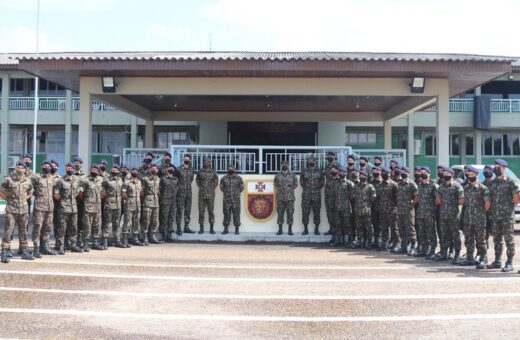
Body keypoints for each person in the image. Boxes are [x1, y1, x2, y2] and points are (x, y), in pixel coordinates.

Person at [487, 159, 519, 272]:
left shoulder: (510, 181)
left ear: (504, 169)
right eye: (495, 167)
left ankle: (509, 262)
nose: (496, 169)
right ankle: (497, 260)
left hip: (506, 216)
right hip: (495, 216)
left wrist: (509, 209)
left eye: (498, 167)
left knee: (508, 240)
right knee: (497, 239)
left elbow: (516, 199)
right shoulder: (493, 182)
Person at [0, 161, 34, 263]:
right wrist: (8, 199)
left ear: (25, 169)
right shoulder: (9, 180)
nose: (20, 169)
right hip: (12, 210)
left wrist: (25, 198)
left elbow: (30, 192)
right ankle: (5, 252)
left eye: (22, 168)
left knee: (23, 231)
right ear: (15, 168)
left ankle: (24, 250)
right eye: (18, 167)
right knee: (8, 231)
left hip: (23, 210)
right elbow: (1, 191)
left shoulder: (28, 181)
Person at [459, 165, 490, 269]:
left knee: (480, 240)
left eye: (472, 175)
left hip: (479, 219)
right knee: (468, 239)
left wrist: (480, 212)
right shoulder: (466, 188)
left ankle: (482, 259)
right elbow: (465, 203)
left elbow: (487, 203)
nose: (470, 176)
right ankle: (469, 258)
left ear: (476, 175)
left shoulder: (483, 188)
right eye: (469, 174)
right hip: (468, 218)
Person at [434, 167, 464, 264]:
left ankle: (457, 254)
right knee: (444, 235)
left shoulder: (457, 186)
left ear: (452, 175)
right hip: (443, 215)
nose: (445, 175)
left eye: (447, 174)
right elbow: (438, 200)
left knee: (455, 235)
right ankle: (444, 253)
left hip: (453, 215)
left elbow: (461, 200)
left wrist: (451, 204)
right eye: (444, 174)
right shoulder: (441, 187)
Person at [53, 162, 83, 254]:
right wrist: (64, 199)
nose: (69, 169)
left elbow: (79, 191)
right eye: (68, 168)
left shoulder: (77, 180)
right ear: (65, 169)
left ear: (74, 169)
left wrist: (72, 197)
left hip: (74, 208)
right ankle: (61, 246)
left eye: (71, 168)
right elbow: (56, 195)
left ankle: (73, 245)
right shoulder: (60, 180)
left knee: (73, 227)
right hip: (63, 208)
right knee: (62, 228)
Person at [30, 160, 57, 258]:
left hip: (50, 207)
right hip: (39, 207)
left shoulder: (51, 178)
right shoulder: (36, 177)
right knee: (37, 227)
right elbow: (28, 187)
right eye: (45, 165)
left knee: (47, 228)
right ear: (41, 166)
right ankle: (36, 249)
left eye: (48, 166)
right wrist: (34, 194)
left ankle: (45, 247)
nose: (47, 167)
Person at [79, 165, 104, 251]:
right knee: (87, 226)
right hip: (88, 207)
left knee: (96, 225)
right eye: (93, 169)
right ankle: (85, 243)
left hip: (97, 207)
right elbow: (81, 194)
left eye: (96, 170)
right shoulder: (85, 180)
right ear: (90, 170)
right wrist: (87, 201)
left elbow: (102, 192)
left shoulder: (100, 180)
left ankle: (95, 243)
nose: (95, 171)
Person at [416, 166, 439, 259]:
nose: (423, 173)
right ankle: (423, 249)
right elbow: (418, 198)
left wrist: (432, 209)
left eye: (425, 172)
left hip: (430, 213)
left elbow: (437, 200)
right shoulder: (419, 185)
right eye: (421, 172)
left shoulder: (434, 185)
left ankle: (432, 250)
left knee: (431, 232)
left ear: (429, 173)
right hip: (421, 212)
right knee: (421, 232)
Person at [396, 166, 418, 256]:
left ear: (408, 173)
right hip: (400, 210)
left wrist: (412, 204)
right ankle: (403, 247)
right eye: (402, 171)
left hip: (409, 211)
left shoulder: (412, 184)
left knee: (410, 230)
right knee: (401, 229)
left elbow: (417, 196)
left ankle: (413, 247)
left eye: (405, 171)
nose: (403, 173)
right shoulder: (399, 184)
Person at [300, 155, 325, 235]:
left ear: (315, 162)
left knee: (317, 213)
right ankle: (305, 229)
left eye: (312, 160)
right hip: (306, 196)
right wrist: (307, 189)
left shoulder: (319, 171)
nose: (311, 162)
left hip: (316, 196)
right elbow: (301, 182)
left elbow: (322, 182)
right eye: (309, 160)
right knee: (305, 212)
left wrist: (316, 188)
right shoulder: (304, 171)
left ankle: (316, 229)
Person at [351, 170, 376, 249]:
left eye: (363, 176)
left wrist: (368, 203)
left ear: (366, 177)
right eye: (360, 176)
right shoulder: (356, 186)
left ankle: (369, 242)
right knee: (359, 227)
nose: (362, 177)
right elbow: (352, 196)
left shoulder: (370, 186)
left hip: (367, 210)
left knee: (368, 227)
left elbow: (374, 196)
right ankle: (359, 241)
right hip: (358, 210)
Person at [376, 167, 398, 251]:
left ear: (390, 174)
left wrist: (396, 209)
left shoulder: (394, 184)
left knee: (394, 229)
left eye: (386, 173)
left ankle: (396, 244)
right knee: (384, 229)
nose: (384, 174)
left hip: (392, 211)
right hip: (382, 211)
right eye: (383, 172)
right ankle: (384, 244)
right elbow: (378, 198)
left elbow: (397, 198)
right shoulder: (379, 186)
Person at [102, 164, 124, 248]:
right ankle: (105, 241)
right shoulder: (106, 180)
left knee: (117, 223)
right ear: (111, 170)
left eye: (116, 170)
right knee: (107, 223)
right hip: (109, 204)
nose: (114, 171)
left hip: (118, 204)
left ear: (119, 171)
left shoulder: (121, 180)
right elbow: (101, 191)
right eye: (113, 169)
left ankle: (117, 240)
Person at [273, 160, 298, 236]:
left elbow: (296, 184)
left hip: (290, 198)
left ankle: (290, 230)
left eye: (286, 165)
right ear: (281, 165)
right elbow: (275, 184)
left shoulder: (293, 175)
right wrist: (280, 190)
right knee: (280, 214)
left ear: (288, 165)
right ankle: (280, 229)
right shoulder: (277, 175)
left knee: (290, 213)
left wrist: (289, 189)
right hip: (280, 198)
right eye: (283, 165)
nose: (284, 166)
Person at [196, 157, 219, 234]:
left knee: (211, 211)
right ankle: (201, 228)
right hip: (202, 194)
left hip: (211, 194)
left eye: (209, 162)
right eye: (207, 161)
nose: (208, 163)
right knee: (201, 211)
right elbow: (197, 181)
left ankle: (211, 229)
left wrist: (211, 189)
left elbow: (216, 181)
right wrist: (202, 188)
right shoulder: (200, 172)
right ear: (203, 162)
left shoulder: (213, 171)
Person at [220, 164, 244, 235]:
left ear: (234, 169)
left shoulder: (239, 178)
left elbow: (242, 188)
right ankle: (226, 229)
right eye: (229, 168)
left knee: (236, 214)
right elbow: (221, 187)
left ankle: (237, 229)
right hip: (226, 200)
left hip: (236, 200)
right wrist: (227, 193)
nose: (230, 170)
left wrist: (236, 193)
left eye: (232, 168)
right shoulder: (224, 178)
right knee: (226, 214)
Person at [334, 167, 354, 246]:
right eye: (340, 172)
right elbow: (334, 195)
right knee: (338, 224)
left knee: (348, 224)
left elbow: (352, 195)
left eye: (343, 172)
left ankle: (349, 241)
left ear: (346, 173)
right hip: (337, 206)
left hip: (346, 207)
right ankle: (339, 240)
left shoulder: (350, 183)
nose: (341, 173)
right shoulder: (336, 183)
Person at [122, 167, 143, 246]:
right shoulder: (127, 182)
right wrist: (127, 201)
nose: (135, 172)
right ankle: (125, 239)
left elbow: (140, 193)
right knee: (127, 222)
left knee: (136, 222)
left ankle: (135, 238)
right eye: (133, 170)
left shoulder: (139, 182)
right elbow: (123, 194)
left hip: (138, 205)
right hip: (129, 205)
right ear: (130, 172)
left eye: (136, 171)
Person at [142, 164, 161, 245]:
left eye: (156, 168)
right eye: (153, 168)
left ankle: (153, 236)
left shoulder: (158, 179)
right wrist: (145, 199)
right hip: (148, 201)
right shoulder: (145, 179)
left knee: (155, 220)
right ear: (150, 169)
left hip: (156, 202)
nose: (154, 169)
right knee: (146, 220)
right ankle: (145, 237)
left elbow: (158, 190)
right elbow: (141, 191)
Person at [160, 163, 179, 241]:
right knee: (164, 218)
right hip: (165, 201)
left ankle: (169, 235)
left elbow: (177, 189)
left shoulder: (176, 179)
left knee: (171, 219)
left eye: (172, 169)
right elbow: (159, 189)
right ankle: (164, 235)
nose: (171, 170)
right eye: (169, 169)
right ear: (167, 170)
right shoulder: (163, 179)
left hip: (173, 201)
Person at [176, 154, 195, 235]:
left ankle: (186, 227)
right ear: (183, 159)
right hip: (180, 192)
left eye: (188, 158)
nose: (186, 160)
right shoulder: (178, 169)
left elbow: (191, 179)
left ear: (190, 160)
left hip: (189, 193)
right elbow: (176, 180)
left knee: (188, 210)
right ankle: (178, 227)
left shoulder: (192, 169)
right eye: (185, 158)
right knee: (180, 210)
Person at [324, 152, 338, 236]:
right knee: (329, 211)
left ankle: (337, 230)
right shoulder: (326, 166)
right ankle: (331, 228)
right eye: (328, 156)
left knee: (336, 211)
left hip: (336, 190)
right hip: (328, 190)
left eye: (331, 156)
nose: (329, 157)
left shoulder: (338, 166)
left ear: (334, 157)